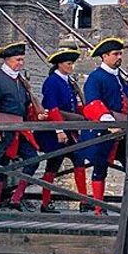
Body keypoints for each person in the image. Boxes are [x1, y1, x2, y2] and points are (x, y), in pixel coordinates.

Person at [76, 38, 128, 215]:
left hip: (123, 130)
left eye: (120, 53)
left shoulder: (121, 79)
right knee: (100, 169)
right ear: (104, 56)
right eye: (115, 54)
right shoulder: (96, 77)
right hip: (103, 130)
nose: (119, 57)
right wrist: (109, 122)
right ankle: (100, 208)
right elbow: (92, 103)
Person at [0, 42, 48, 211]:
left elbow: (24, 107)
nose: (21, 63)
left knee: (32, 160)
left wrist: (36, 114)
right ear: (7, 60)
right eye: (18, 60)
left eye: (22, 60)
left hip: (19, 128)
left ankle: (16, 198)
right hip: (1, 128)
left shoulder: (20, 81)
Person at [36, 48, 86, 213]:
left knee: (79, 161)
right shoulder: (52, 82)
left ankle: (84, 200)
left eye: (72, 64)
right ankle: (45, 202)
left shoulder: (68, 81)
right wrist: (59, 130)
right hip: (54, 132)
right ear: (59, 64)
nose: (71, 67)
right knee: (52, 166)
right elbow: (52, 108)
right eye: (68, 64)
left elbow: (74, 106)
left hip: (70, 130)